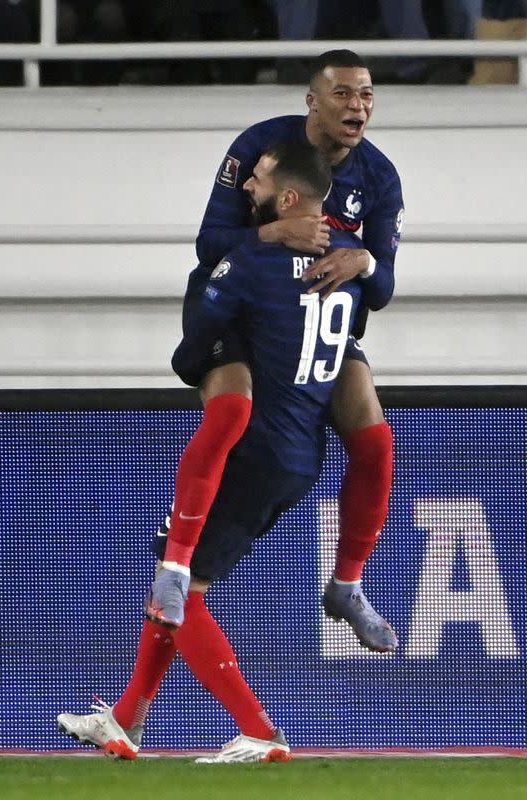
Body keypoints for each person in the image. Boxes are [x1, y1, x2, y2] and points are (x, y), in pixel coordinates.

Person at [57, 139, 383, 763]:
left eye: (258, 181)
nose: (247, 190)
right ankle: (126, 718)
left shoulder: (253, 262)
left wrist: (213, 345)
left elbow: (192, 345)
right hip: (304, 451)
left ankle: (258, 728)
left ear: (288, 198)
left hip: (254, 444)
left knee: (181, 586)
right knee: (178, 582)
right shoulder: (346, 271)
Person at [150, 50, 403, 654]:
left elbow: (387, 287)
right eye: (343, 94)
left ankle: (346, 584)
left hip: (315, 319)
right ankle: (177, 568)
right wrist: (269, 232)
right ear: (312, 101)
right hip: (239, 309)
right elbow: (209, 244)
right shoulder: (260, 147)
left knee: (375, 440)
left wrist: (364, 260)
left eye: (366, 94)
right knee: (233, 411)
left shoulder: (380, 177)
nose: (357, 106)